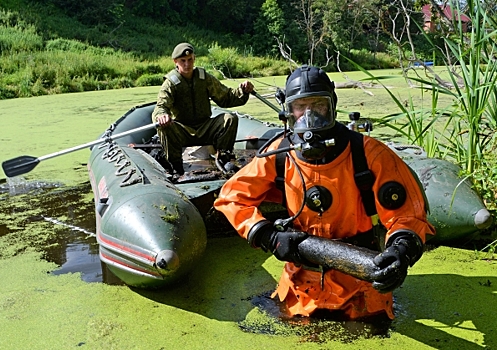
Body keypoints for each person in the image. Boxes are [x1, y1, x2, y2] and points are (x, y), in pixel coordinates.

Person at [214, 65, 435, 320]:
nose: (309, 117)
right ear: (289, 111)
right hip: (299, 291)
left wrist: (400, 253)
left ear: (332, 106)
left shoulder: (369, 155)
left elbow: (409, 216)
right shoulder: (280, 155)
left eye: (318, 106)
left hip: (362, 290)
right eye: (300, 107)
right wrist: (268, 235)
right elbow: (232, 197)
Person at [151, 42, 254, 175]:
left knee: (230, 118)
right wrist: (162, 115)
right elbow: (161, 106)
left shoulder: (204, 78)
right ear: (175, 62)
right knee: (165, 126)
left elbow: (225, 97)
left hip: (206, 127)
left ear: (194, 58)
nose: (187, 64)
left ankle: (223, 159)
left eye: (190, 60)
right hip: (183, 130)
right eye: (183, 61)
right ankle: (176, 167)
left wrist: (243, 91)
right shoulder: (170, 84)